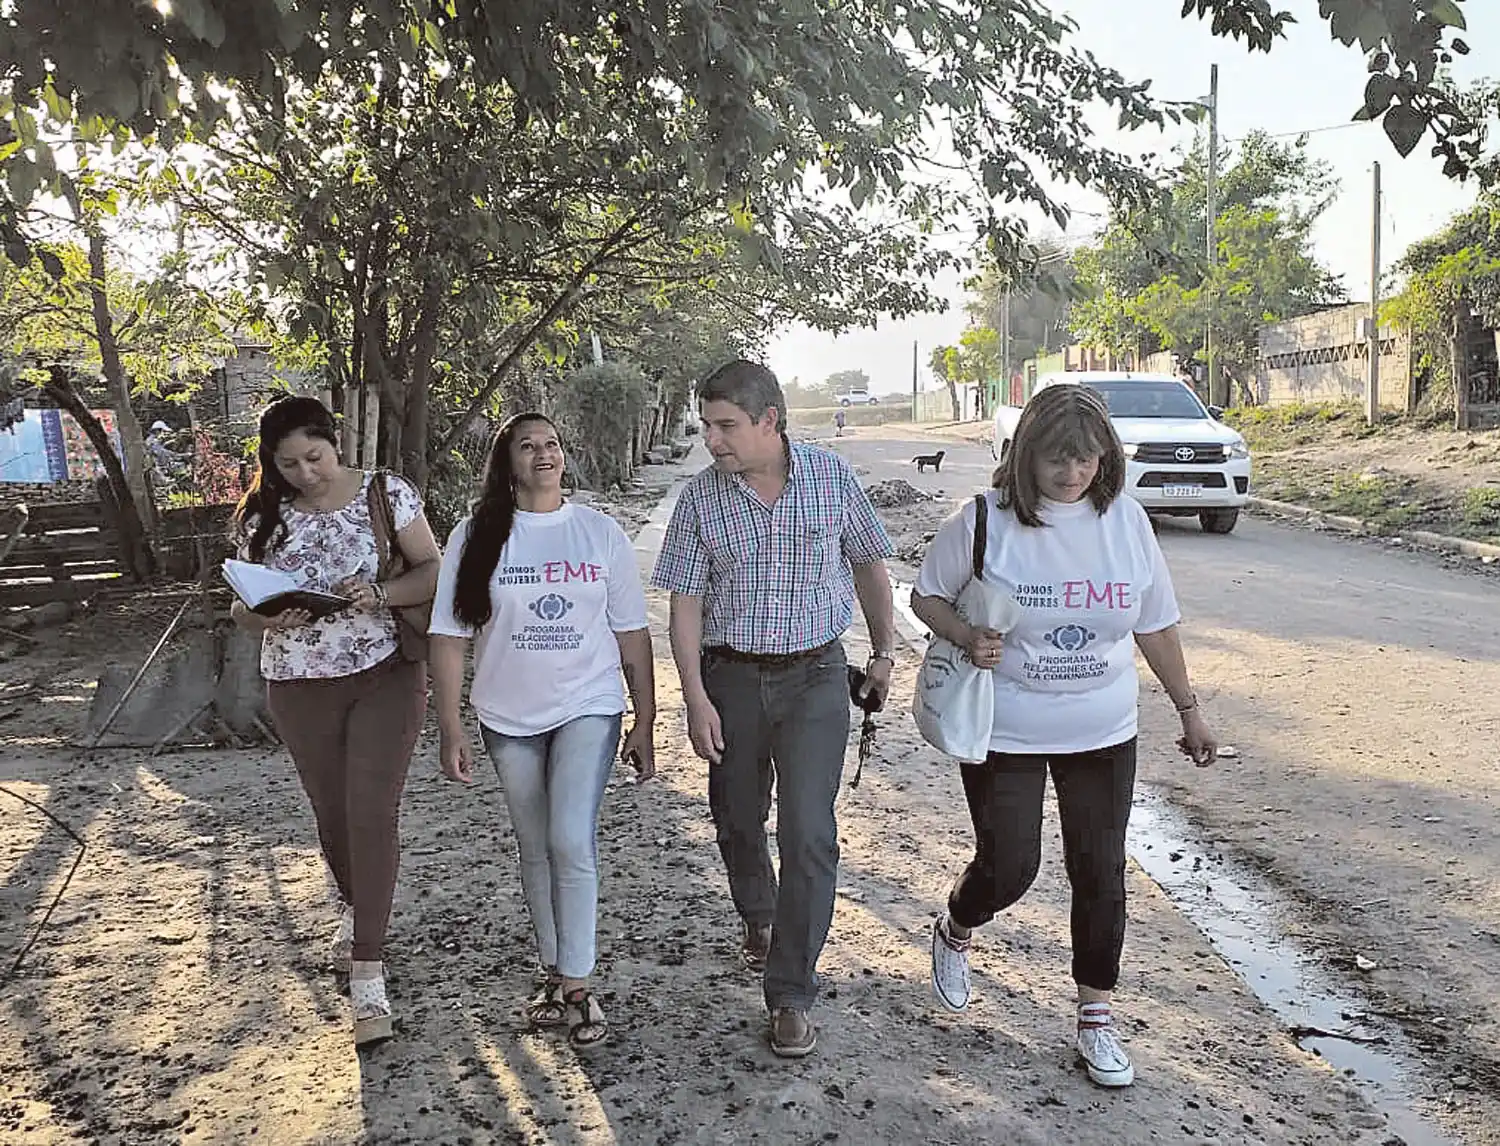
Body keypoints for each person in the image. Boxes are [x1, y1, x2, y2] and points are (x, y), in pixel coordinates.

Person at [911, 383, 1218, 1089]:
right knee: (1010, 866)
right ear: (1026, 455)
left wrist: (1189, 709)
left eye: (1086, 459)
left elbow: (1155, 624)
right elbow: (925, 595)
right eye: (1056, 459)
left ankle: (1096, 1017)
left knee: (1101, 870)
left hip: (1102, 728)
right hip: (1008, 727)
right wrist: (966, 634)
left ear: (1105, 458)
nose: (1072, 474)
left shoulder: (1126, 521)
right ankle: (956, 926)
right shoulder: (984, 520)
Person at [652, 359, 897, 1059]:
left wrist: (883, 654)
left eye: (725, 426)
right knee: (736, 816)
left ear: (769, 421)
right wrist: (694, 697)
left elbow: (869, 563)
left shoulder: (831, 479)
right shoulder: (700, 501)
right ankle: (758, 913)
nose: (712, 440)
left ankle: (791, 992)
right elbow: (685, 604)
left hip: (816, 677)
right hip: (731, 677)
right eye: (707, 425)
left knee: (808, 829)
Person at [428, 412, 656, 1051]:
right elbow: (448, 635)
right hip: (507, 716)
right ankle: (554, 973)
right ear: (507, 462)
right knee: (534, 846)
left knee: (568, 838)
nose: (543, 454)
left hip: (589, 704)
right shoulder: (475, 536)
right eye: (527, 446)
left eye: (551, 443)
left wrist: (645, 717)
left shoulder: (598, 533)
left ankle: (579, 986)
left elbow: (631, 633)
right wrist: (449, 726)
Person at [229, 395, 440, 1048]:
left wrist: (380, 593)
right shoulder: (262, 514)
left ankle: (368, 971)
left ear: (334, 443)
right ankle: (356, 907)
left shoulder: (386, 493)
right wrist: (270, 615)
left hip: (384, 672)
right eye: (288, 464)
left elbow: (433, 571)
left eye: (314, 457)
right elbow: (240, 610)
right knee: (333, 814)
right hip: (297, 684)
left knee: (371, 810)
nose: (305, 473)